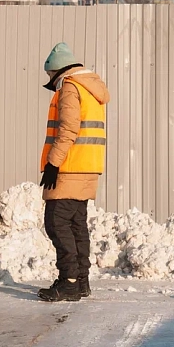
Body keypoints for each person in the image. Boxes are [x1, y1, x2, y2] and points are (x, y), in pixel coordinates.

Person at [38, 42, 110, 302]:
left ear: (57, 71)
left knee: (57, 223)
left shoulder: (70, 88)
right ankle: (80, 281)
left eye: (49, 75)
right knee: (77, 224)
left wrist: (53, 163)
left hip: (69, 167)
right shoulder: (91, 88)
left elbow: (68, 129)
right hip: (88, 166)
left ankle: (68, 281)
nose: (49, 80)